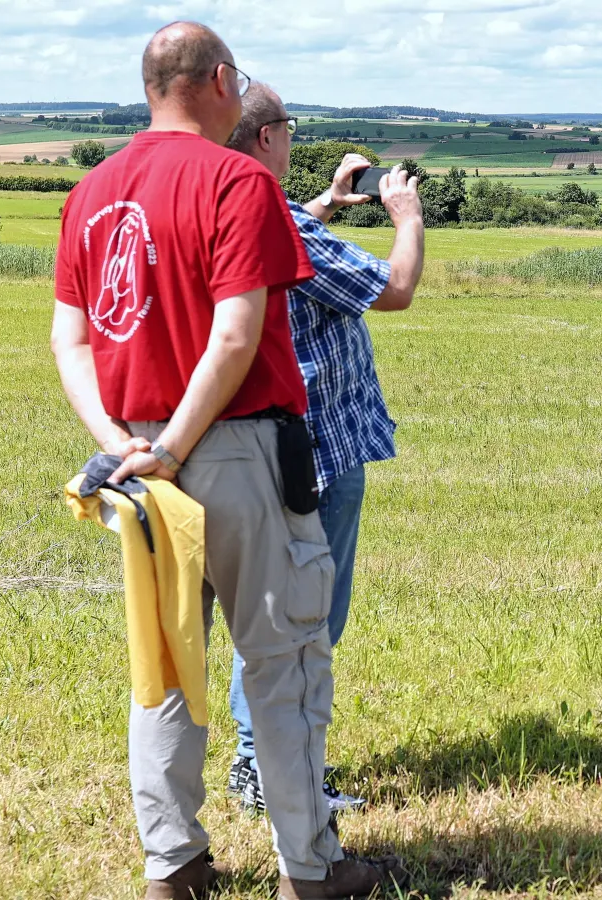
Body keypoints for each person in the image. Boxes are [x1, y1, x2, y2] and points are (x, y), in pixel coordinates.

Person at [49, 21, 392, 900]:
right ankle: (310, 868)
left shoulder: (91, 192)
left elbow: (71, 337)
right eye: (237, 84)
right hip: (234, 447)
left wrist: (123, 442)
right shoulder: (237, 178)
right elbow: (237, 333)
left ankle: (174, 864)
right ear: (215, 82)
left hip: (134, 461)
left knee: (163, 664)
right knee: (283, 660)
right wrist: (175, 446)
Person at [220, 84, 424, 814]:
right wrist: (405, 216)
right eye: (289, 127)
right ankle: (265, 768)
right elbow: (393, 289)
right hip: (320, 452)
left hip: (271, 443)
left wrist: (331, 200)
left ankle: (262, 761)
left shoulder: (241, 209)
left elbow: (285, 234)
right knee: (305, 618)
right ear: (269, 137)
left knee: (276, 611)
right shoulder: (281, 224)